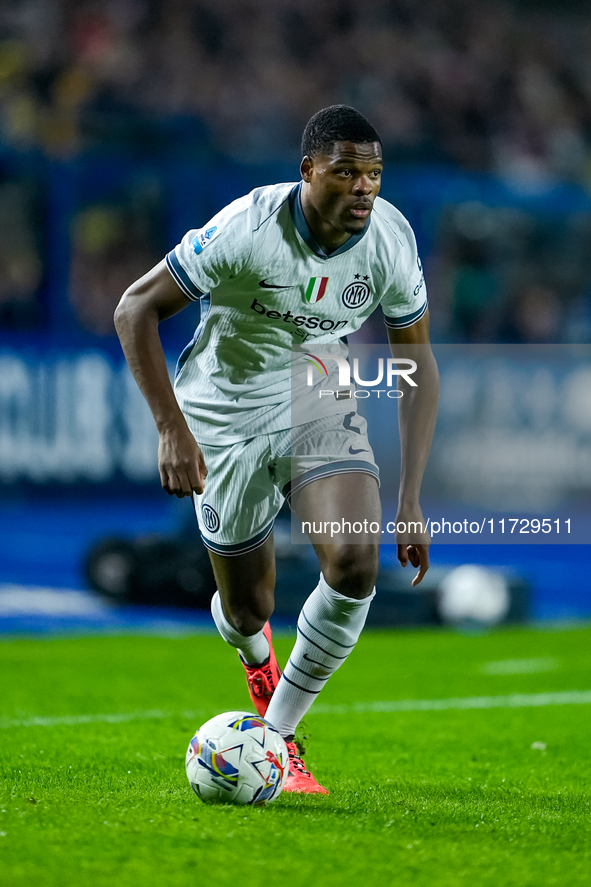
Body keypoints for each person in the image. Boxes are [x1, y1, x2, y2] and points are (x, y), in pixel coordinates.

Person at [114, 105, 439, 795]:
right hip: (221, 416)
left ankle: (278, 735)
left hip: (317, 393)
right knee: (246, 608)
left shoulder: (388, 239)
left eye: (373, 174)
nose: (363, 188)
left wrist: (410, 497)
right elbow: (133, 308)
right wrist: (172, 428)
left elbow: (419, 366)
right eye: (346, 171)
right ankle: (255, 654)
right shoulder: (247, 228)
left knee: (354, 562)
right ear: (308, 171)